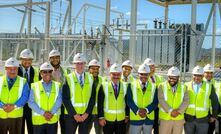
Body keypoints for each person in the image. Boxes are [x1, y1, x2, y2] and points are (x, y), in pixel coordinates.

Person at [62, 53, 96, 134]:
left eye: (81, 63)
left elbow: (93, 97)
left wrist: (87, 113)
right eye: (77, 63)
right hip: (71, 115)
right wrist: (74, 114)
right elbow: (65, 98)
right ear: (74, 64)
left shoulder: (90, 78)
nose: (79, 65)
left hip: (85, 116)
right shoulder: (68, 78)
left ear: (85, 64)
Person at [28, 62, 62, 134]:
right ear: (40, 73)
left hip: (52, 120)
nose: (48, 74)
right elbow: (31, 102)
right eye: (45, 72)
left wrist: (51, 113)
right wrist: (43, 113)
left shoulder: (57, 85)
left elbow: (59, 100)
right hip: (39, 121)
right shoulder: (34, 86)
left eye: (50, 71)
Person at [184, 65, 219, 134]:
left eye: (199, 76)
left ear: (203, 76)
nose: (197, 78)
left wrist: (214, 116)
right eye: (195, 75)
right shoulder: (185, 85)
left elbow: (215, 102)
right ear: (192, 75)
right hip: (188, 118)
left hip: (203, 119)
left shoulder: (209, 86)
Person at [0, 57, 29, 134]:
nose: (13, 71)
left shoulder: (23, 81)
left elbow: (25, 97)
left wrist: (14, 106)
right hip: (1, 116)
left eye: (15, 69)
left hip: (16, 116)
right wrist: (2, 106)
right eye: (10, 68)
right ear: (6, 68)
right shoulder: (0, 80)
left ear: (17, 69)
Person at [127, 64, 158, 134]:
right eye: (142, 74)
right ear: (138, 74)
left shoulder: (154, 86)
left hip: (148, 119)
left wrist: (146, 110)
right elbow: (129, 101)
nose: (144, 76)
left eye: (146, 74)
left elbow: (155, 102)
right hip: (135, 118)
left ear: (149, 74)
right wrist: (138, 111)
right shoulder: (131, 85)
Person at [98, 63, 129, 134]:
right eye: (114, 74)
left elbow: (127, 102)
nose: (116, 76)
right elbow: (100, 103)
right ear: (110, 74)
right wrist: (101, 117)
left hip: (121, 119)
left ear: (121, 75)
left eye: (118, 74)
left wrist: (127, 115)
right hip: (107, 120)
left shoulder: (125, 86)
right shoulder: (104, 86)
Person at [158, 66, 189, 134]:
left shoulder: (184, 87)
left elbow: (186, 101)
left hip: (178, 119)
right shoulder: (161, 86)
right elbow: (161, 100)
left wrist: (178, 112)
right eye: (170, 77)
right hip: (165, 119)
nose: (172, 80)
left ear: (178, 77)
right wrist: (171, 111)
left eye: (174, 78)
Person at [18, 49, 39, 134]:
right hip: (19, 104)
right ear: (21, 59)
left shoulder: (37, 72)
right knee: (19, 129)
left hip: (32, 105)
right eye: (25, 59)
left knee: (32, 129)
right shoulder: (15, 70)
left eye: (29, 59)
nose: (27, 61)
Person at [49, 49, 70, 134]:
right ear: (49, 59)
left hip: (63, 103)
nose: (55, 59)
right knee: (52, 127)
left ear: (60, 58)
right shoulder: (45, 70)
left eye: (57, 57)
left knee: (64, 127)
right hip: (51, 103)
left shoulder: (66, 71)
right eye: (52, 58)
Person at [144, 58, 164, 134]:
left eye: (153, 66)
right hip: (148, 107)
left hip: (158, 107)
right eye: (149, 67)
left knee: (157, 128)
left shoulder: (160, 78)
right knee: (147, 128)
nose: (151, 69)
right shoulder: (143, 79)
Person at [88, 59, 105, 134]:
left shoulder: (103, 80)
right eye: (93, 69)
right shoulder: (85, 80)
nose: (95, 70)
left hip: (99, 112)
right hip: (88, 112)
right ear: (89, 69)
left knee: (99, 132)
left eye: (97, 69)